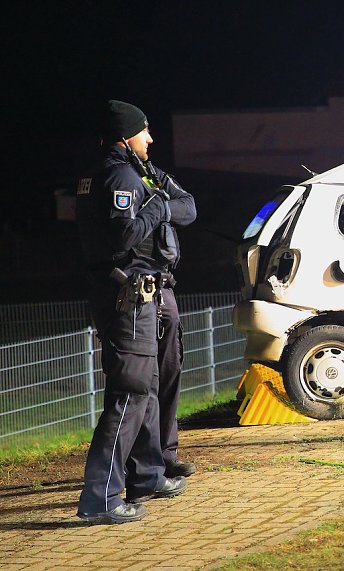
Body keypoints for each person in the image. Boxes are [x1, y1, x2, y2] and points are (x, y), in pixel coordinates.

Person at [75, 100, 196, 523]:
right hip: (127, 299)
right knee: (128, 393)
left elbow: (190, 207)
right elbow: (125, 233)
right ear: (127, 135)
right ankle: (100, 499)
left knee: (143, 387)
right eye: (145, 131)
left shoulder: (125, 170)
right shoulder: (121, 175)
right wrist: (159, 206)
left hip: (141, 296)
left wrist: (161, 202)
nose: (151, 139)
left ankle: (145, 476)